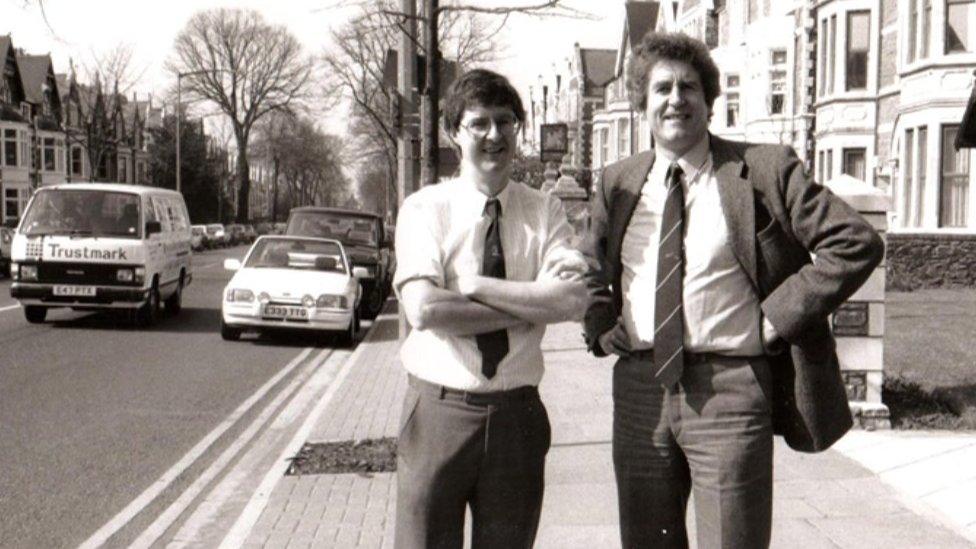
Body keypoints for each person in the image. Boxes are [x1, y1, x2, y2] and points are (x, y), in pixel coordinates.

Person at [581, 32, 884, 548]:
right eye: (661, 89)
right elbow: (588, 264)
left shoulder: (764, 169)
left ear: (709, 100)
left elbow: (854, 241)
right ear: (642, 104)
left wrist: (780, 314)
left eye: (689, 87)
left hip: (731, 391)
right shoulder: (619, 181)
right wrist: (599, 323)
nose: (676, 99)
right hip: (639, 390)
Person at [393, 68, 588, 549]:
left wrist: (474, 285)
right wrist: (531, 304)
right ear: (453, 132)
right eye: (479, 122)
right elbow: (425, 310)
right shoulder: (424, 210)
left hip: (516, 416)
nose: (495, 135)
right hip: (440, 411)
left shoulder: (546, 211)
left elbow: (573, 299)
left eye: (505, 121)